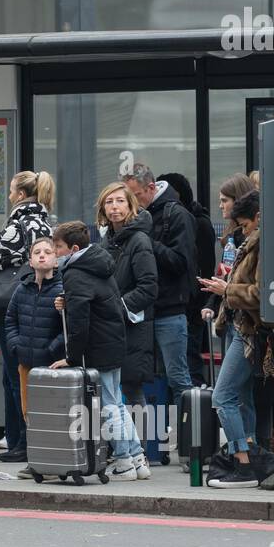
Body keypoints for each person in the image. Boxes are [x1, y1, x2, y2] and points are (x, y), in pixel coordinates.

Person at [49, 220, 145, 480]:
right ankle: (138, 458)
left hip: (98, 348)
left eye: (58, 247)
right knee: (118, 404)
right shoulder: (99, 264)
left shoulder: (75, 272)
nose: (55, 251)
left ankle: (124, 462)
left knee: (108, 408)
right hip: (113, 342)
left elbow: (80, 321)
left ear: (73, 248)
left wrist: (71, 357)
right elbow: (97, 302)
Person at [197, 191, 274, 487]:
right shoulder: (253, 241)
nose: (242, 230)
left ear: (257, 217)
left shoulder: (265, 244)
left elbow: (263, 295)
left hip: (248, 332)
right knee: (241, 399)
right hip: (237, 327)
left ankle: (242, 463)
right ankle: (250, 459)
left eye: (245, 224)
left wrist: (226, 291)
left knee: (222, 397)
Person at [0, 169, 53, 463]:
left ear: (21, 195)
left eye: (11, 191)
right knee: (26, 372)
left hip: (15, 305)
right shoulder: (46, 221)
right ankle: (20, 438)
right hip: (40, 304)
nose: (9, 196)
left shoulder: (19, 223)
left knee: (14, 374)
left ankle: (21, 441)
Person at [121, 163, 196, 405]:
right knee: (143, 378)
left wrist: (146, 242)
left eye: (136, 196)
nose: (131, 202)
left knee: (176, 377)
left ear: (151, 188)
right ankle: (155, 439)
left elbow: (181, 263)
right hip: (142, 312)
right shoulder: (136, 218)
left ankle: (188, 440)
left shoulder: (176, 214)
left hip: (169, 309)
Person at [96, 183, 158, 427]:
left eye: (120, 201)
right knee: (111, 391)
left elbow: (148, 287)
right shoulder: (107, 241)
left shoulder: (139, 240)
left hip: (132, 325)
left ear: (131, 205)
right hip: (111, 326)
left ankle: (138, 452)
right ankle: (121, 449)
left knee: (132, 390)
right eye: (109, 202)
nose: (114, 207)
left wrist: (116, 309)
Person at [3, 236, 65, 479]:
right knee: (30, 413)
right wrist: (15, 345)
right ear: (29, 261)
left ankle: (54, 463)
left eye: (47, 252)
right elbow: (10, 320)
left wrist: (53, 348)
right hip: (26, 363)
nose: (42, 255)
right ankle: (36, 461)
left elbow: (67, 327)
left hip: (51, 366)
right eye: (37, 252)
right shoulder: (23, 288)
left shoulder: (62, 289)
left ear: (56, 261)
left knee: (53, 415)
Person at [159, 172, 216, 388]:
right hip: (184, 303)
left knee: (188, 362)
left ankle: (195, 411)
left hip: (192, 304)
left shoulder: (197, 223)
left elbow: (202, 266)